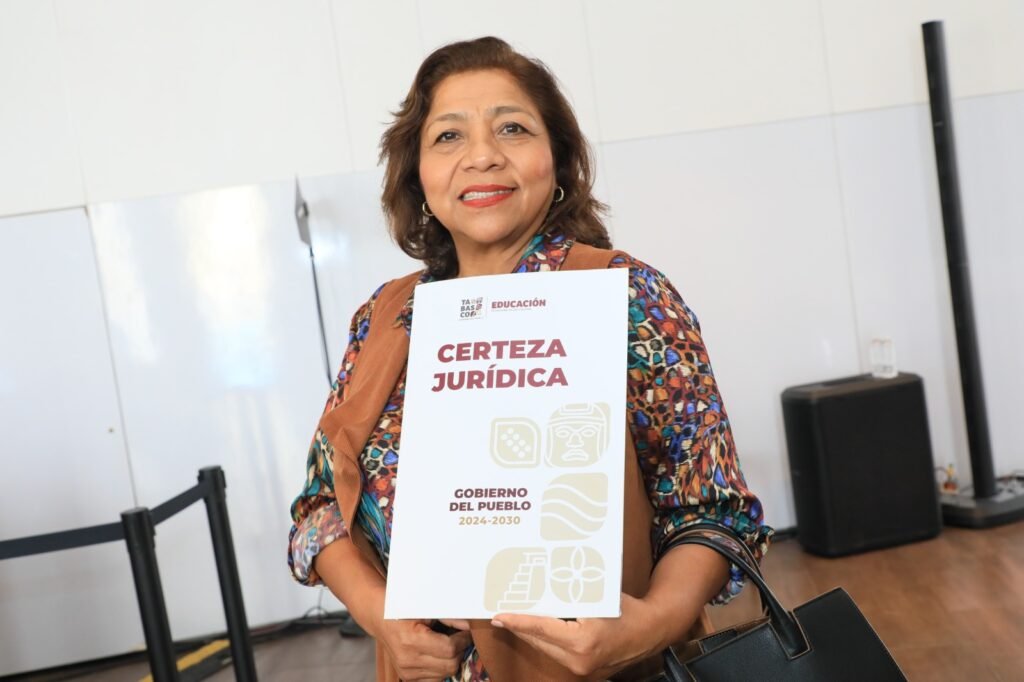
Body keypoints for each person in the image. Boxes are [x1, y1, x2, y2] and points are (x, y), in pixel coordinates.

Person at [288, 36, 772, 682]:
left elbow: (711, 512)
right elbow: (319, 508)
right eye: (449, 136)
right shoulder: (384, 320)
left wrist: (647, 625)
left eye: (512, 128)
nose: (482, 155)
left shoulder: (627, 297)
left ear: (558, 159)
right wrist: (383, 618)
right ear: (418, 176)